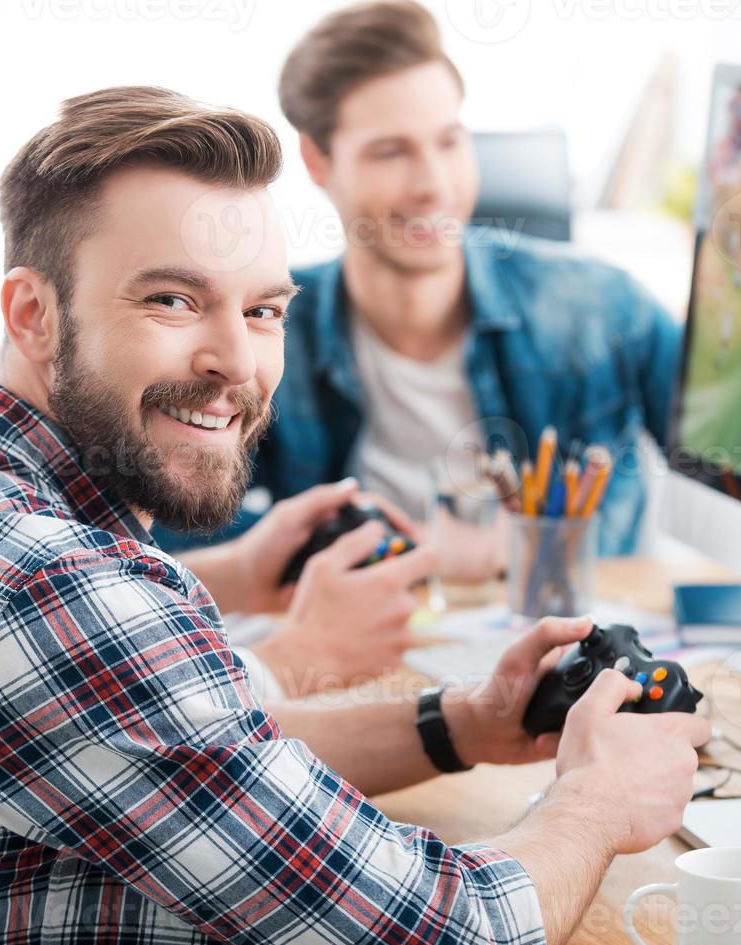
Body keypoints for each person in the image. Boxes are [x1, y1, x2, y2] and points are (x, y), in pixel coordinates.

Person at [0, 85, 710, 945]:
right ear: (33, 313)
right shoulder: (64, 592)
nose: (235, 360)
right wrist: (593, 801)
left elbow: (209, 756)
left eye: (264, 309)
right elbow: (448, 938)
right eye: (171, 299)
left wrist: (461, 724)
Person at [159, 0, 682, 558]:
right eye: (391, 152)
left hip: (577, 630)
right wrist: (394, 553)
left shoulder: (600, 308)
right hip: (367, 637)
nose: (433, 184)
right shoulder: (264, 336)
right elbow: (163, 535)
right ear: (317, 162)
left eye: (449, 142)